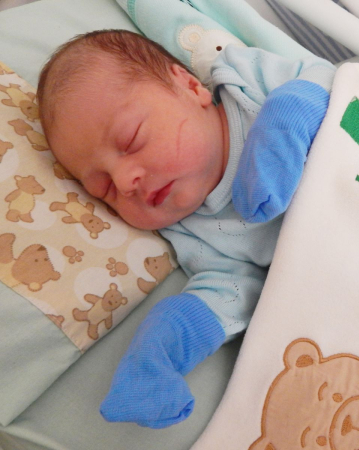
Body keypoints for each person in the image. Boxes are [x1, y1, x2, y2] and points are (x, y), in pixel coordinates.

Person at [37, 29, 336, 428]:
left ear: (191, 87)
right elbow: (234, 291)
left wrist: (285, 120)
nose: (125, 181)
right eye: (104, 188)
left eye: (131, 140)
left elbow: (330, 80)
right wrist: (163, 345)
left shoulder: (244, 82)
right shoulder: (193, 232)